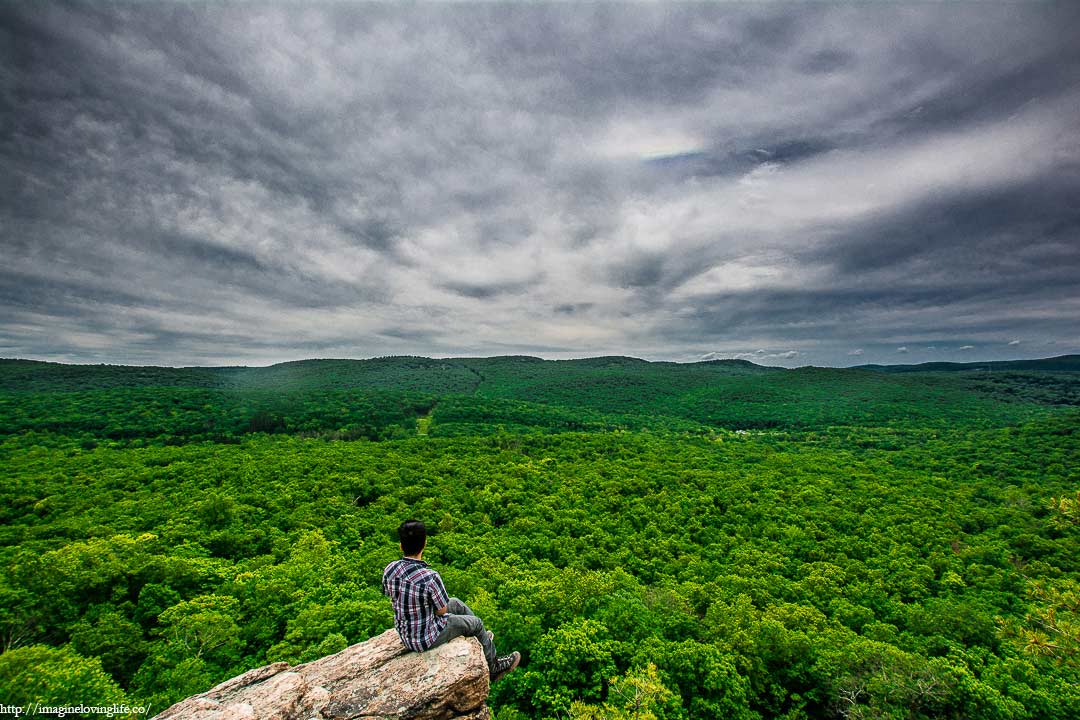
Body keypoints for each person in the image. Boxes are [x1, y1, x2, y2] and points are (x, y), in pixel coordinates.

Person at [382, 519, 520, 681]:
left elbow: (391, 594)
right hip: (425, 638)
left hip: (405, 631)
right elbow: (441, 611)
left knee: (455, 602)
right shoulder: (430, 577)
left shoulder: (390, 569)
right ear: (424, 544)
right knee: (476, 623)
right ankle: (493, 667)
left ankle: (482, 641)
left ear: (401, 545)